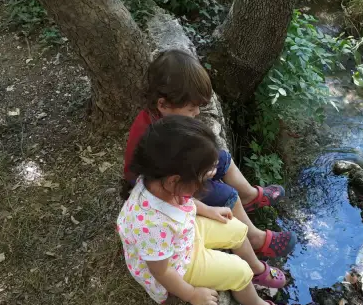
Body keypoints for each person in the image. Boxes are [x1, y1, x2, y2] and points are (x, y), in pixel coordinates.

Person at [117, 116, 294, 305]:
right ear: (175, 180)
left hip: (181, 237)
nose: (210, 177)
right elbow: (161, 272)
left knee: (237, 228)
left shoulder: (160, 181)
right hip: (178, 264)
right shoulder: (151, 224)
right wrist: (192, 294)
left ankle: (257, 269)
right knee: (238, 271)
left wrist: (209, 210)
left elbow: (184, 201)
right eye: (203, 177)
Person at [122, 49, 296, 258]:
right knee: (226, 195)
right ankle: (255, 239)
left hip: (177, 171)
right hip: (161, 190)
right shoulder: (156, 137)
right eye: (191, 109)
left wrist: (206, 162)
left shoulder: (166, 121)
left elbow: (185, 154)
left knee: (220, 157)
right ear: (163, 104)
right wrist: (202, 173)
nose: (196, 113)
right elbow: (170, 180)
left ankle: (249, 195)